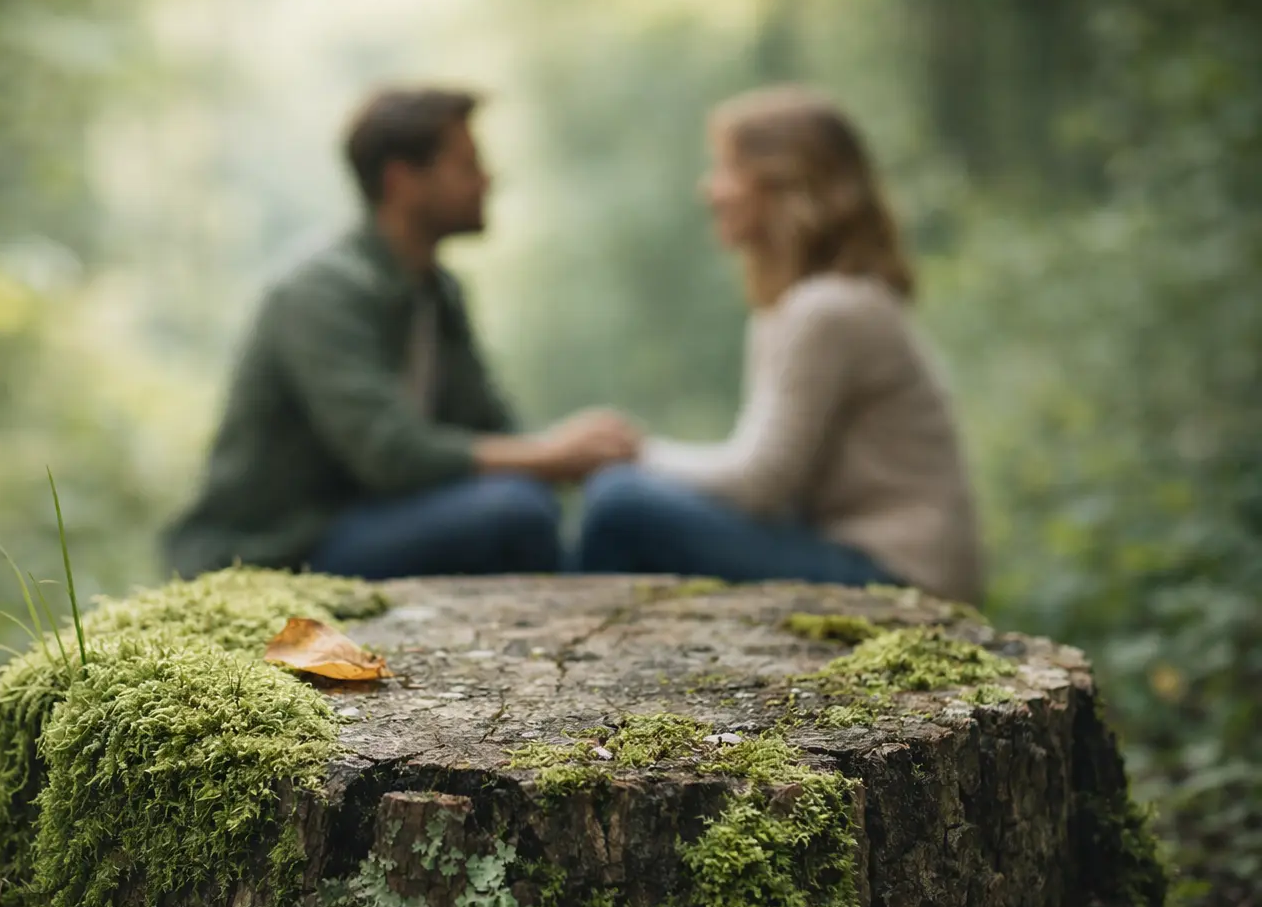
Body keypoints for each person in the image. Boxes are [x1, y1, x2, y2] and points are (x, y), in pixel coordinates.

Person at [163, 87, 639, 581]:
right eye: (467, 164)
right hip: (284, 543)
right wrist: (548, 455)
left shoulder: (436, 292)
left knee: (560, 504)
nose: (487, 180)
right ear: (402, 180)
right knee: (513, 512)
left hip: (377, 519)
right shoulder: (320, 291)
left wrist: (580, 451)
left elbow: (491, 427)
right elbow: (388, 453)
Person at [576, 85, 984, 604]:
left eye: (726, 169)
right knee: (623, 498)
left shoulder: (827, 309)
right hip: (858, 558)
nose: (710, 189)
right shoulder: (805, 306)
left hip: (899, 578)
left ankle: (573, 664)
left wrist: (631, 454)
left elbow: (760, 482)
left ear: (783, 183)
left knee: (621, 504)